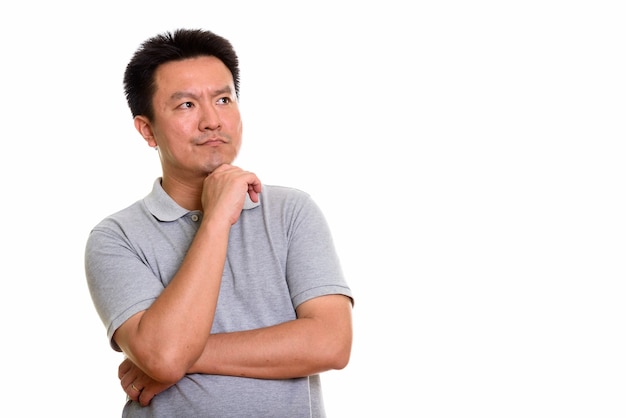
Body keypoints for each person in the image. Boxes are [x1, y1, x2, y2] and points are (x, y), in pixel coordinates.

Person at [84, 28, 354, 417]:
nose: (212, 120)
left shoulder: (291, 212)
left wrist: (184, 356)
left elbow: (330, 343)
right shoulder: (117, 237)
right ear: (147, 130)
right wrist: (216, 219)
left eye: (223, 99)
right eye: (186, 105)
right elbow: (163, 356)